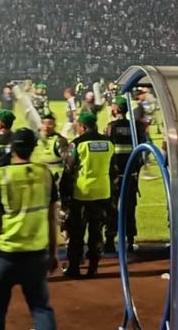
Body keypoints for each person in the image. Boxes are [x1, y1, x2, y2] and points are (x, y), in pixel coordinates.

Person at [0, 127, 59, 330]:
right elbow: (52, 218)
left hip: (6, 255)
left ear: (12, 148)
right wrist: (53, 253)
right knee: (41, 309)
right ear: (33, 148)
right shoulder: (45, 174)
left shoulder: (1, 176)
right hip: (36, 254)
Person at [62, 110, 112, 278]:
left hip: (82, 193)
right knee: (97, 231)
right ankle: (93, 267)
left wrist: (64, 194)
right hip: (103, 192)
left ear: (82, 126)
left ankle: (74, 268)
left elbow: (68, 170)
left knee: (77, 232)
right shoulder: (108, 142)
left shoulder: (77, 144)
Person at [104, 96, 144, 254]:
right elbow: (141, 153)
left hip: (115, 176)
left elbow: (107, 151)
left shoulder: (110, 127)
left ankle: (109, 241)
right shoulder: (135, 127)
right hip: (131, 175)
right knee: (129, 208)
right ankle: (130, 241)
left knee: (112, 208)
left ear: (116, 109)